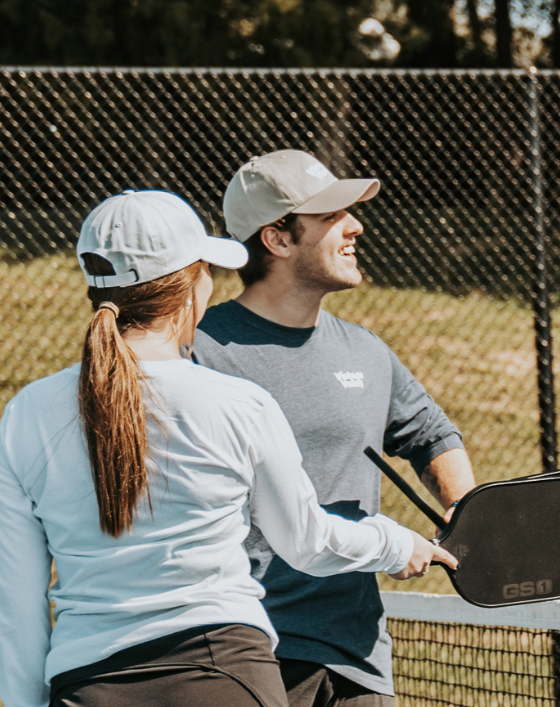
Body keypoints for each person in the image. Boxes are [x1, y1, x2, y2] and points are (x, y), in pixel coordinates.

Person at [0, 190, 456, 707]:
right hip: (227, 675)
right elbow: (307, 541)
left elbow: (15, 602)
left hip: (86, 686)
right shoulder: (240, 403)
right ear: (191, 286)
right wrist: (394, 544)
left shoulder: (24, 416)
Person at [193, 149, 477, 707]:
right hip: (246, 658)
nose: (356, 226)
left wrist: (468, 515)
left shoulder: (367, 352)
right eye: (331, 217)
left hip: (358, 659)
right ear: (277, 238)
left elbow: (430, 434)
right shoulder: (200, 351)